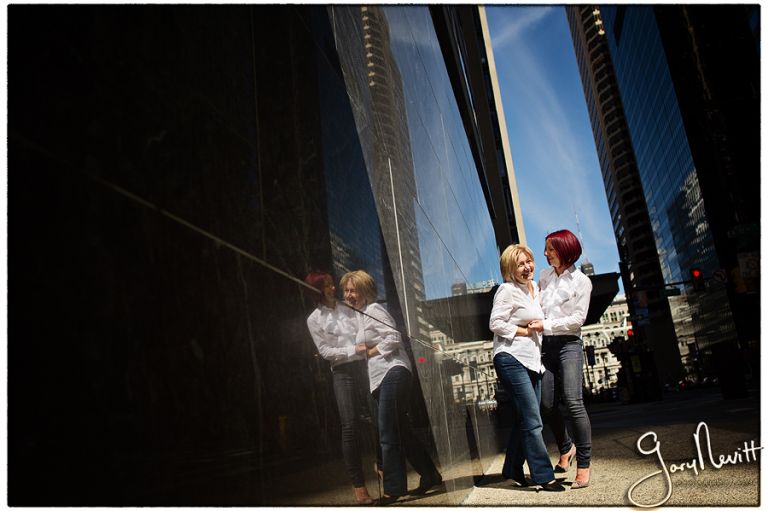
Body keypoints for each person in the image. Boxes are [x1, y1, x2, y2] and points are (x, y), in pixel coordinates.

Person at [341, 270, 442, 504]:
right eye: (346, 290)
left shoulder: (374, 310)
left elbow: (394, 337)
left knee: (387, 430)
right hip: (379, 379)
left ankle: (393, 489)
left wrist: (370, 351)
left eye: (353, 290)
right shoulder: (358, 316)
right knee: (401, 431)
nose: (348, 294)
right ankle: (430, 475)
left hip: (393, 371)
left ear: (365, 291)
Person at [489, 244, 566, 492]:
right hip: (510, 357)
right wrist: (525, 330)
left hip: (532, 360)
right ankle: (544, 475)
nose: (527, 267)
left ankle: (512, 467)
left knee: (526, 416)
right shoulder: (507, 290)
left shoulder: (536, 289)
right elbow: (496, 323)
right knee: (533, 419)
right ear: (510, 269)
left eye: (529, 262)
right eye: (520, 264)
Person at [528, 230, 593, 489]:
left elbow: (578, 320)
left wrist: (545, 324)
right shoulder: (544, 277)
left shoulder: (581, 282)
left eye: (550, 250)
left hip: (568, 345)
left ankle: (584, 465)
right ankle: (566, 448)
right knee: (546, 404)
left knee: (573, 402)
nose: (545, 254)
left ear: (564, 250)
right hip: (546, 347)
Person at [305, 271, 374, 504]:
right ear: (317, 290)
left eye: (333, 285)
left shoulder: (348, 308)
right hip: (342, 373)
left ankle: (382, 464)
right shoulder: (314, 319)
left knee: (378, 417)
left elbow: (365, 331)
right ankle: (359, 486)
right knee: (350, 425)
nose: (333, 289)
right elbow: (325, 352)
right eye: (327, 286)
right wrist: (353, 350)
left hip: (364, 368)